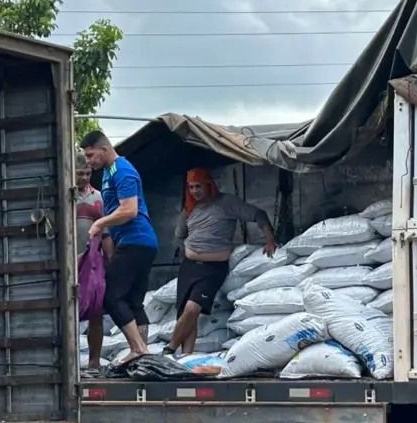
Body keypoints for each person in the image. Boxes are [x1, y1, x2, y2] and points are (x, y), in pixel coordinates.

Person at [166, 168, 277, 356]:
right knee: (186, 313)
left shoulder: (226, 203)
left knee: (193, 309)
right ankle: (185, 358)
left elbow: (258, 214)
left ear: (209, 185)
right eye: (191, 187)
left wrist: (269, 238)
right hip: (189, 267)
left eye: (198, 186)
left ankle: (169, 349)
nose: (195, 191)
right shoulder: (190, 208)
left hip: (213, 268)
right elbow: (180, 233)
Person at [79, 129, 158, 363]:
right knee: (133, 301)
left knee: (110, 296)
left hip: (135, 240)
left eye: (92, 155)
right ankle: (143, 355)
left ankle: (138, 349)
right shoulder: (108, 172)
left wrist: (99, 224)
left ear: (105, 150)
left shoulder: (122, 171)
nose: (90, 161)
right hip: (140, 243)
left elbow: (129, 209)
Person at [75, 154, 113, 368]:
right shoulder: (64, 195)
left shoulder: (99, 197)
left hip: (94, 261)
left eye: (88, 174)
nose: (84, 178)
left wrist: (110, 260)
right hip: (70, 261)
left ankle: (94, 362)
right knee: (69, 311)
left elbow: (106, 233)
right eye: (80, 174)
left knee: (96, 310)